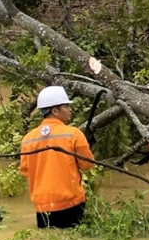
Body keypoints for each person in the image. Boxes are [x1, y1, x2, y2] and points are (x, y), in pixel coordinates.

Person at [20, 85, 95, 228]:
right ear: (55, 110)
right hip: (71, 204)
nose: (70, 110)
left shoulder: (28, 139)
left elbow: (25, 171)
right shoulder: (73, 134)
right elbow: (88, 165)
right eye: (66, 106)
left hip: (42, 206)